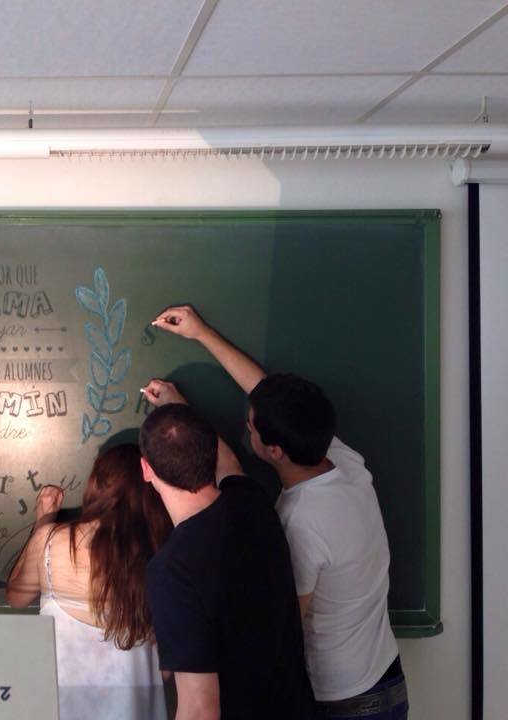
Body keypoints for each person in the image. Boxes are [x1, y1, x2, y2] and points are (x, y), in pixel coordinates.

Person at [148, 303, 408, 719]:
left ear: (274, 450)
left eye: (250, 427)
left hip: (341, 703)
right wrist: (201, 333)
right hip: (386, 680)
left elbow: (282, 627)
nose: (245, 425)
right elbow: (267, 397)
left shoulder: (299, 525)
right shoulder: (344, 465)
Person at [138, 402, 315, 720]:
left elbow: (199, 709)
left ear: (146, 469)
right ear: (211, 453)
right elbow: (229, 463)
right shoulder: (252, 501)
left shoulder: (171, 570)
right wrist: (178, 405)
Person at [7, 444, 172, 720]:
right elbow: (168, 665)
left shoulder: (52, 541)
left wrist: (43, 521)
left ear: (96, 483)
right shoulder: (164, 551)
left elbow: (15, 597)